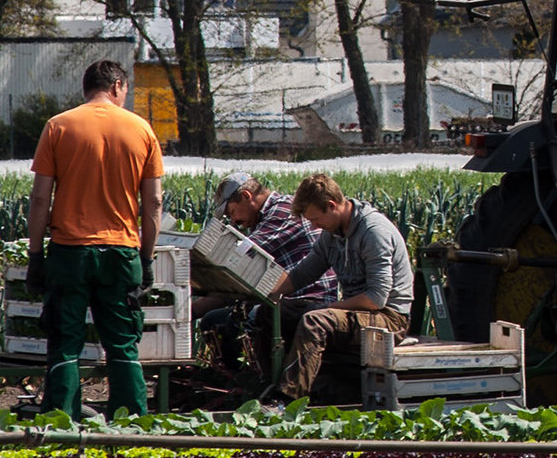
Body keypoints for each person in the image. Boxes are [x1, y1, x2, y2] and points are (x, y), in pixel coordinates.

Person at [27, 59, 165, 419]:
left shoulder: (58, 126)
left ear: (86, 88)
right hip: (121, 253)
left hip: (70, 252)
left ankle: (60, 422)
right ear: (117, 86)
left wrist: (35, 254)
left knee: (65, 342)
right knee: (122, 343)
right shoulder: (142, 130)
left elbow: (41, 198)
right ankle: (132, 425)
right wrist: (146, 260)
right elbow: (153, 202)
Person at [268, 173, 413, 401]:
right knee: (274, 313)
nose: (314, 226)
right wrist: (269, 295)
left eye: (316, 220)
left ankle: (288, 400)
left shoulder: (374, 232)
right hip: (354, 313)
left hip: (388, 318)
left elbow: (376, 299)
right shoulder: (331, 235)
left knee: (315, 320)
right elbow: (301, 275)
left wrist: (329, 307)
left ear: (331, 205)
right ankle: (267, 384)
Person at [193, 175, 338, 371]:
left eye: (232, 212)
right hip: (282, 297)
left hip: (307, 298)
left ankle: (260, 383)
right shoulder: (263, 220)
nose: (234, 220)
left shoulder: (283, 211)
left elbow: (238, 260)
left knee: (243, 322)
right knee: (212, 321)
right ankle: (233, 380)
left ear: (246, 196)